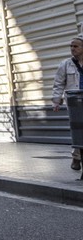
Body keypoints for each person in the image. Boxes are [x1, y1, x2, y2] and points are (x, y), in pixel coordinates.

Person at [52, 36, 83, 171]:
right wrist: (56, 101)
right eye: (71, 46)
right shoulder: (66, 64)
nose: (72, 49)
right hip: (74, 102)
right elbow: (58, 83)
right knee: (77, 131)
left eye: (76, 46)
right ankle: (76, 157)